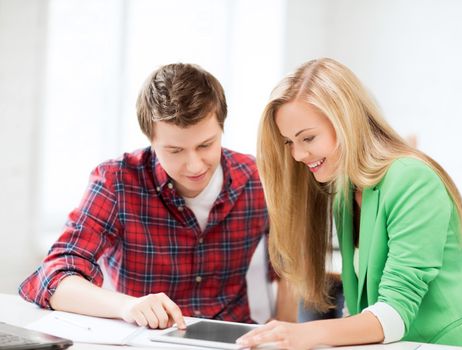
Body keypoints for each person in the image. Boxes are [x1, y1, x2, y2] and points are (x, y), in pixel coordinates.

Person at [19, 63, 295, 329]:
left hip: (231, 339)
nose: (195, 165)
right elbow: (52, 277)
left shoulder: (258, 178)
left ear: (222, 128)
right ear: (150, 139)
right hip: (147, 338)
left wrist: (286, 330)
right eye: (175, 150)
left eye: (206, 145)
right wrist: (126, 306)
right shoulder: (117, 182)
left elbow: (292, 267)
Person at [236, 58, 462, 349]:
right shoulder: (345, 189)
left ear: (346, 121)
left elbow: (394, 313)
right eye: (289, 142)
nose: (297, 155)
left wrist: (301, 334)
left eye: (308, 138)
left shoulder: (412, 178)